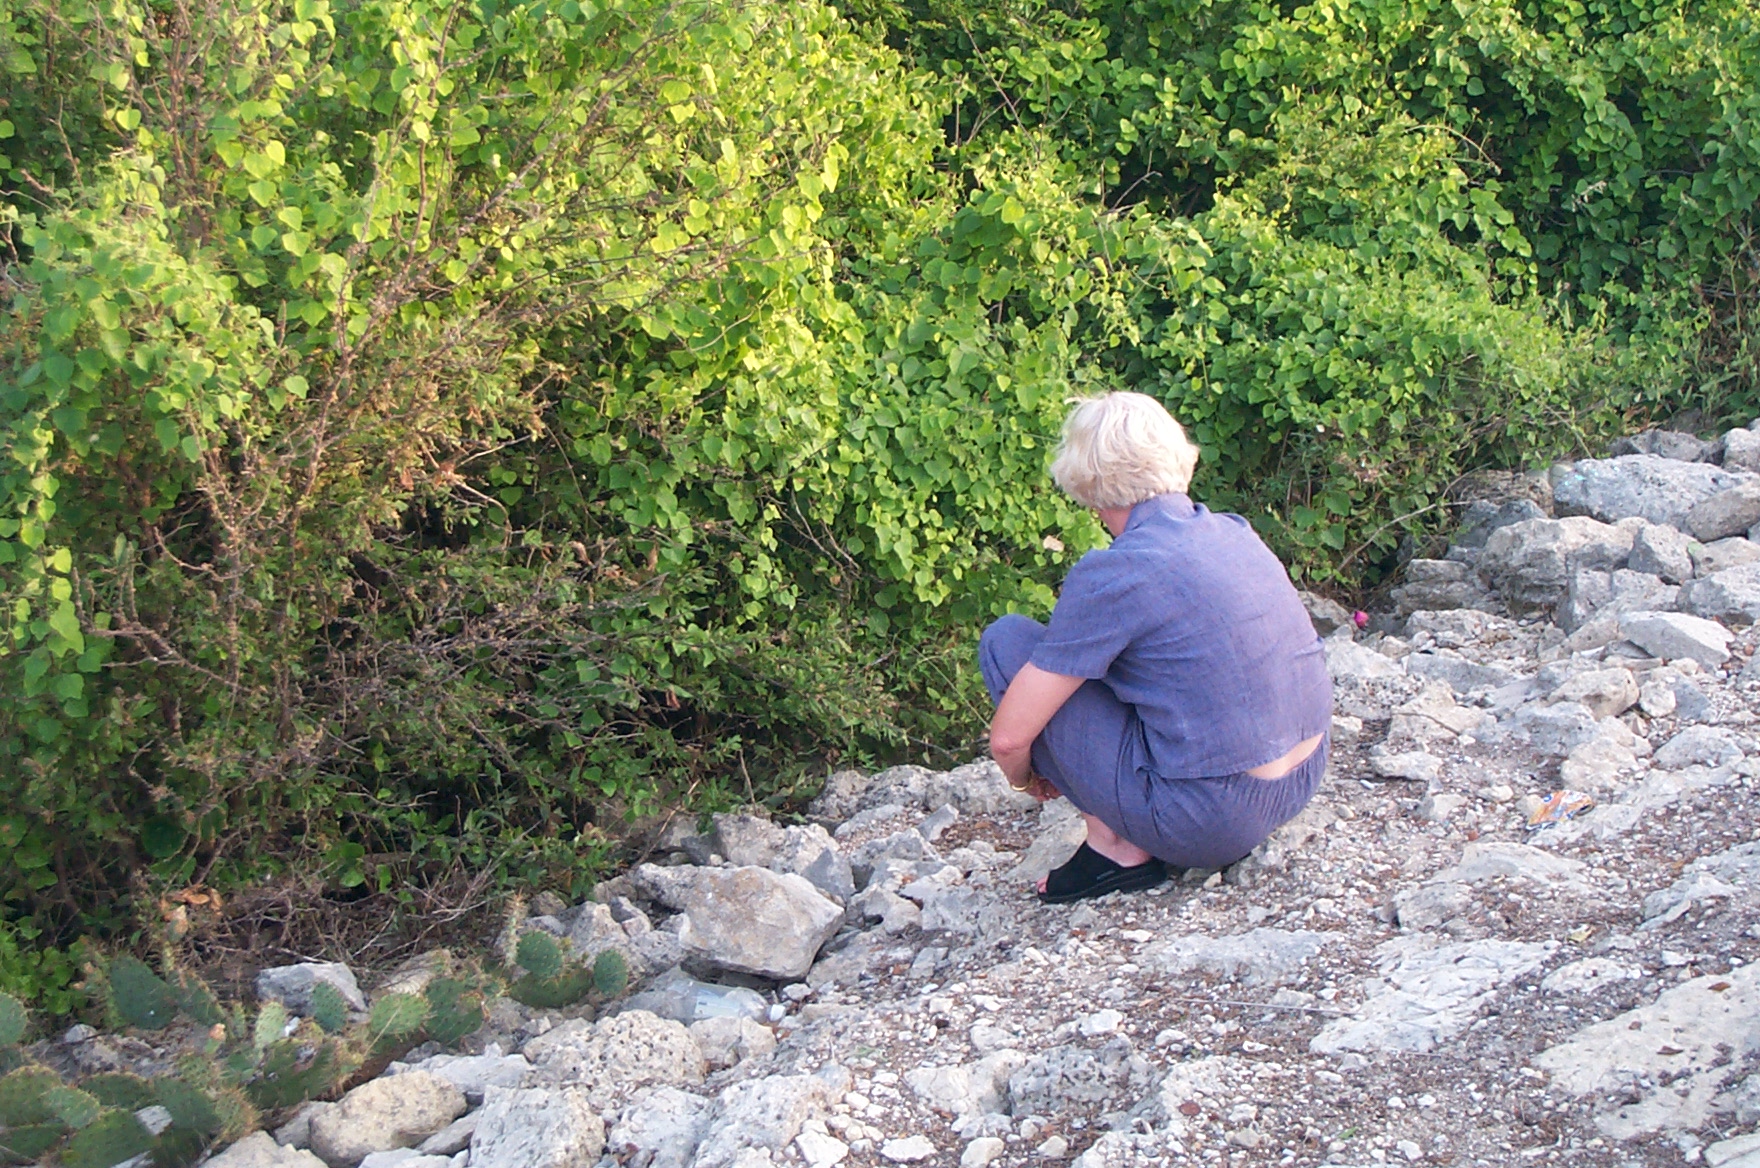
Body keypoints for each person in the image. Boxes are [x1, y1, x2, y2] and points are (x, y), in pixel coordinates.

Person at [980, 391, 1333, 903]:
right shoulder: (1234, 531)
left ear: (1087, 480)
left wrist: (1030, 777)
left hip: (1211, 821)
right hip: (1300, 778)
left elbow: (1009, 739)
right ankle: (1133, 826)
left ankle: (1114, 847)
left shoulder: (1117, 572)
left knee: (1007, 640)